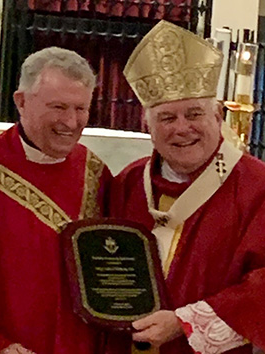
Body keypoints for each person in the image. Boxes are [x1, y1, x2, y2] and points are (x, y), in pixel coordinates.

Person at [107, 20, 265, 353]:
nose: (182, 129)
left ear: (218, 116)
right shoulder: (128, 183)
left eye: (194, 114)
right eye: (167, 118)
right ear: (145, 123)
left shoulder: (256, 187)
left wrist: (185, 322)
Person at [0, 46, 113, 354]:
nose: (70, 122)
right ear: (21, 101)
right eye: (58, 107)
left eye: (81, 109)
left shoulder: (96, 173)